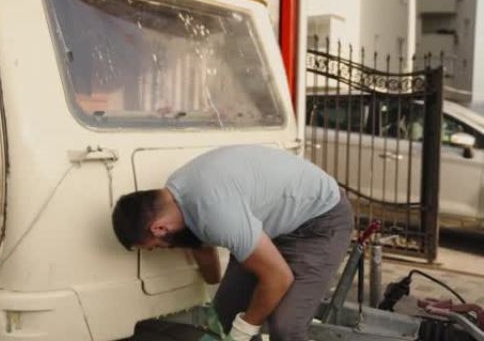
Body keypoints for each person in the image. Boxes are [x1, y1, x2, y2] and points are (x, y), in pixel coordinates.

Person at [111, 145, 353, 341]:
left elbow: (278, 278)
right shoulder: (176, 195)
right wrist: (214, 294)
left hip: (319, 221)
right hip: (271, 224)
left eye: (153, 245)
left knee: (286, 326)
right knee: (226, 312)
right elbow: (201, 243)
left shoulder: (215, 213)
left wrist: (244, 330)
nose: (159, 249)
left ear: (159, 228)